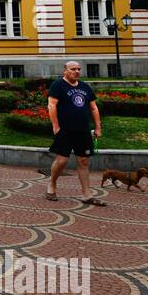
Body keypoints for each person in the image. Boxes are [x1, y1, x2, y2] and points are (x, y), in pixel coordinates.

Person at [46, 60, 106, 205]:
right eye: (73, 69)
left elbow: (93, 108)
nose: (77, 71)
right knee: (62, 160)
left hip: (83, 130)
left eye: (78, 69)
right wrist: (55, 126)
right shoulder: (58, 85)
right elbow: (51, 105)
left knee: (84, 161)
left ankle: (87, 194)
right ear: (65, 71)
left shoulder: (85, 86)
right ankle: (52, 185)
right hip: (65, 129)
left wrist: (98, 127)